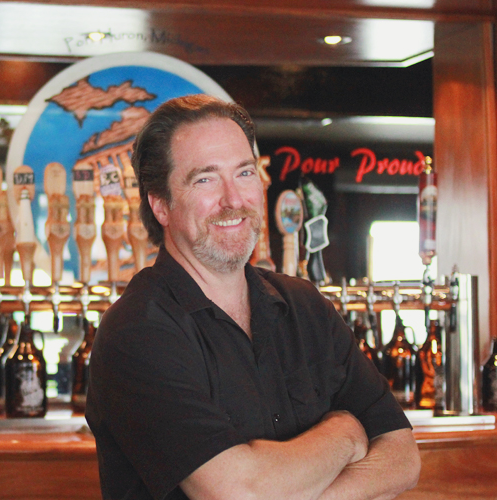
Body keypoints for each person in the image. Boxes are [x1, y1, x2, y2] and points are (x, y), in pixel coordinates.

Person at [85, 94, 420, 500]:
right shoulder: (137, 331)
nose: (234, 200)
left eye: (244, 173)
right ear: (161, 205)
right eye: (205, 179)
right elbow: (237, 492)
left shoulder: (306, 306)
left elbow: (403, 458)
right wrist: (346, 432)